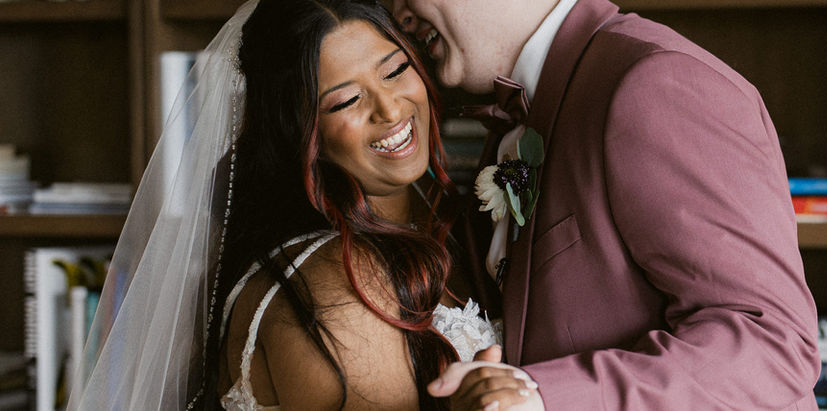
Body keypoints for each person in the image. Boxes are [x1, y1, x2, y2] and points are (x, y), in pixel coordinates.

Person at [66, 0, 537, 410]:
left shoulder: (441, 216)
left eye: (395, 70)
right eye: (346, 101)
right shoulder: (338, 282)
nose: (391, 110)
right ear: (299, 133)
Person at [388, 0, 822, 409]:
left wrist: (545, 398)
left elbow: (773, 344)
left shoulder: (657, 81)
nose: (399, 14)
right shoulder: (521, 116)